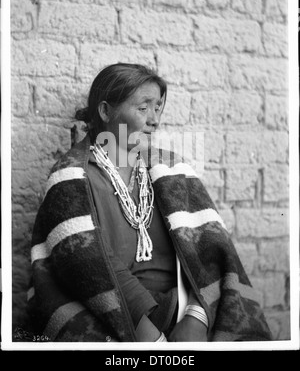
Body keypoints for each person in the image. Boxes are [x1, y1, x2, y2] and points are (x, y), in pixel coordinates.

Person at [28, 63, 272, 342]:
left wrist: (196, 317)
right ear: (106, 111)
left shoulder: (172, 169)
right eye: (143, 108)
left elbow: (209, 251)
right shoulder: (72, 177)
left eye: (157, 107)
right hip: (117, 320)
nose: (154, 119)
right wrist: (152, 339)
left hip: (185, 311)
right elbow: (86, 264)